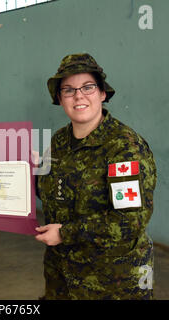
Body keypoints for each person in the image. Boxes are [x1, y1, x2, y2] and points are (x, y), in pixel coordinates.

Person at [35, 53, 157, 300]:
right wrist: (28, 175)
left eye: (88, 87)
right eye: (68, 90)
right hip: (62, 280)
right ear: (59, 98)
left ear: (102, 93)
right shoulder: (59, 141)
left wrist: (65, 233)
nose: (78, 95)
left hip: (112, 284)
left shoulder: (124, 148)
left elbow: (128, 221)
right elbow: (49, 192)